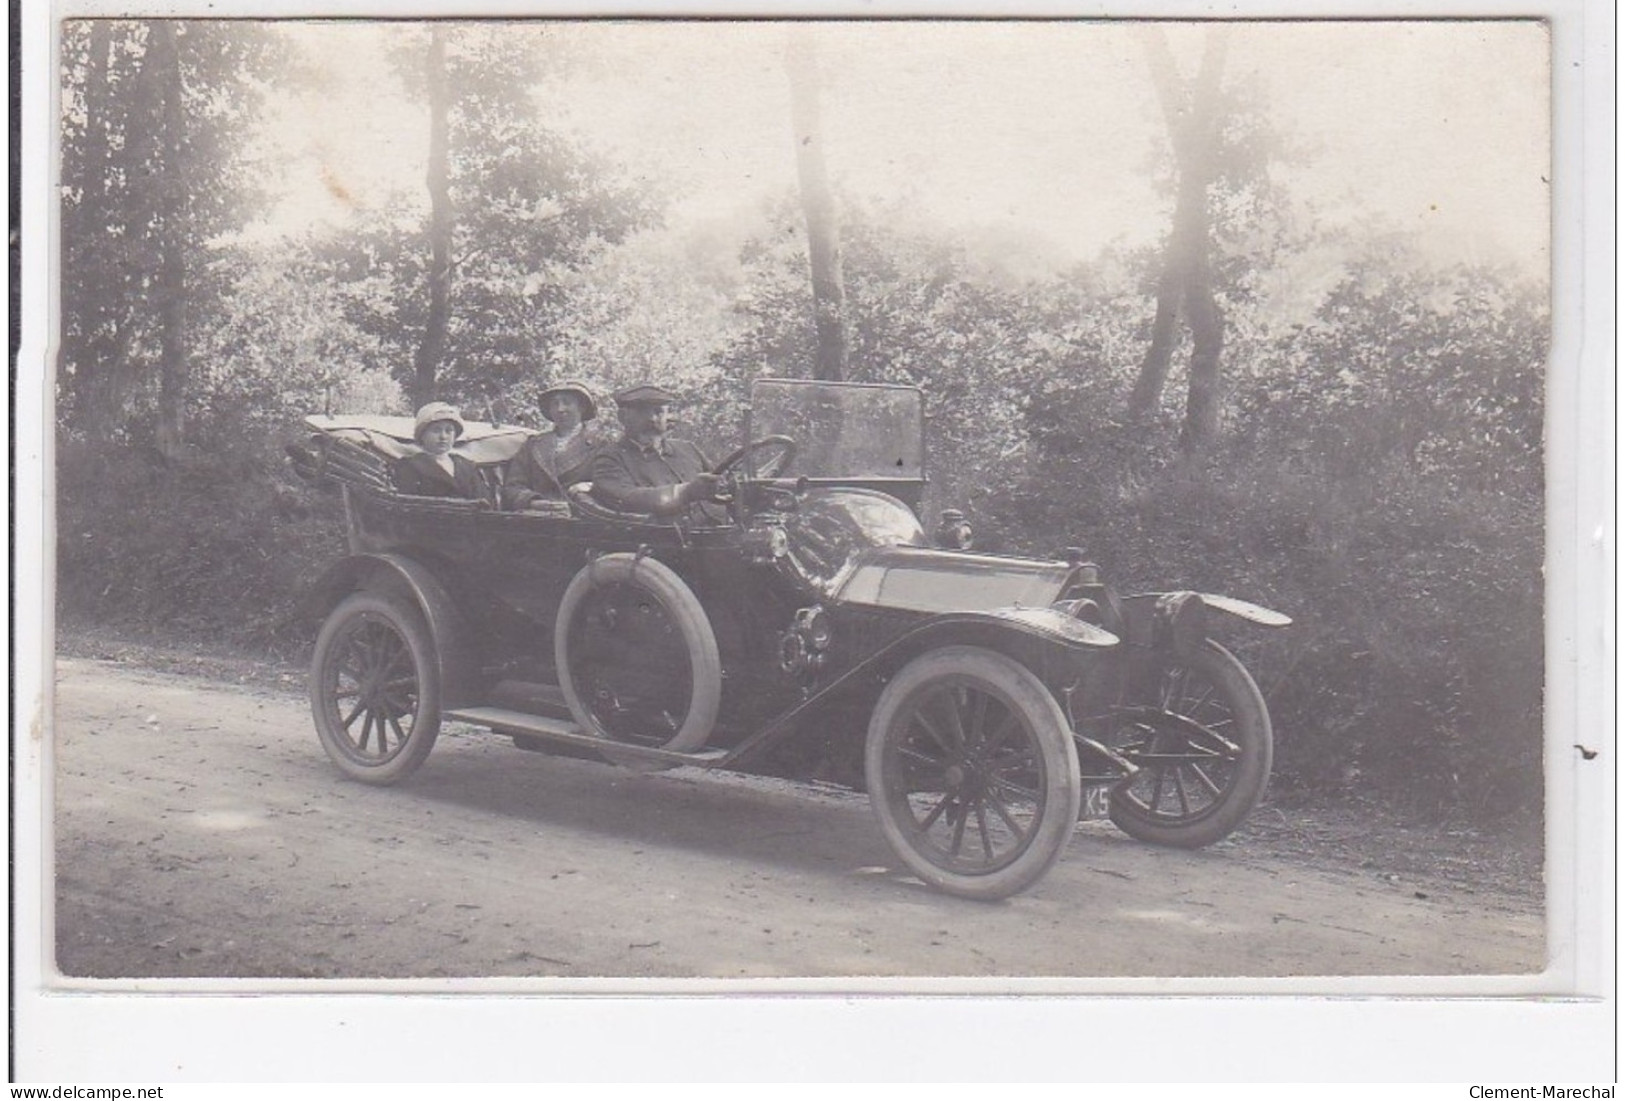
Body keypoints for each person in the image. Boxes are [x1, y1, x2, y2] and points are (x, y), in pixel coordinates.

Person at [590, 384, 726, 522]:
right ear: (622, 417)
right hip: (658, 539)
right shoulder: (609, 458)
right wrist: (685, 492)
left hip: (717, 534)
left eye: (658, 411)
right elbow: (626, 498)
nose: (652, 419)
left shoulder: (688, 449)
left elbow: (720, 485)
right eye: (642, 412)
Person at [501, 379, 600, 512]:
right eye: (555, 403)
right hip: (536, 519)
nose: (560, 409)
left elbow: (611, 486)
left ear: (581, 407)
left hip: (581, 520)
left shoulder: (600, 445)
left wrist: (587, 491)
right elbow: (513, 486)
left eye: (567, 402)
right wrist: (533, 502)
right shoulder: (533, 444)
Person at [392, 402, 491, 502]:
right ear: (422, 435)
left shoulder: (466, 466)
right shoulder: (410, 466)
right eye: (436, 430)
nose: (443, 437)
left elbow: (485, 502)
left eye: (449, 431)